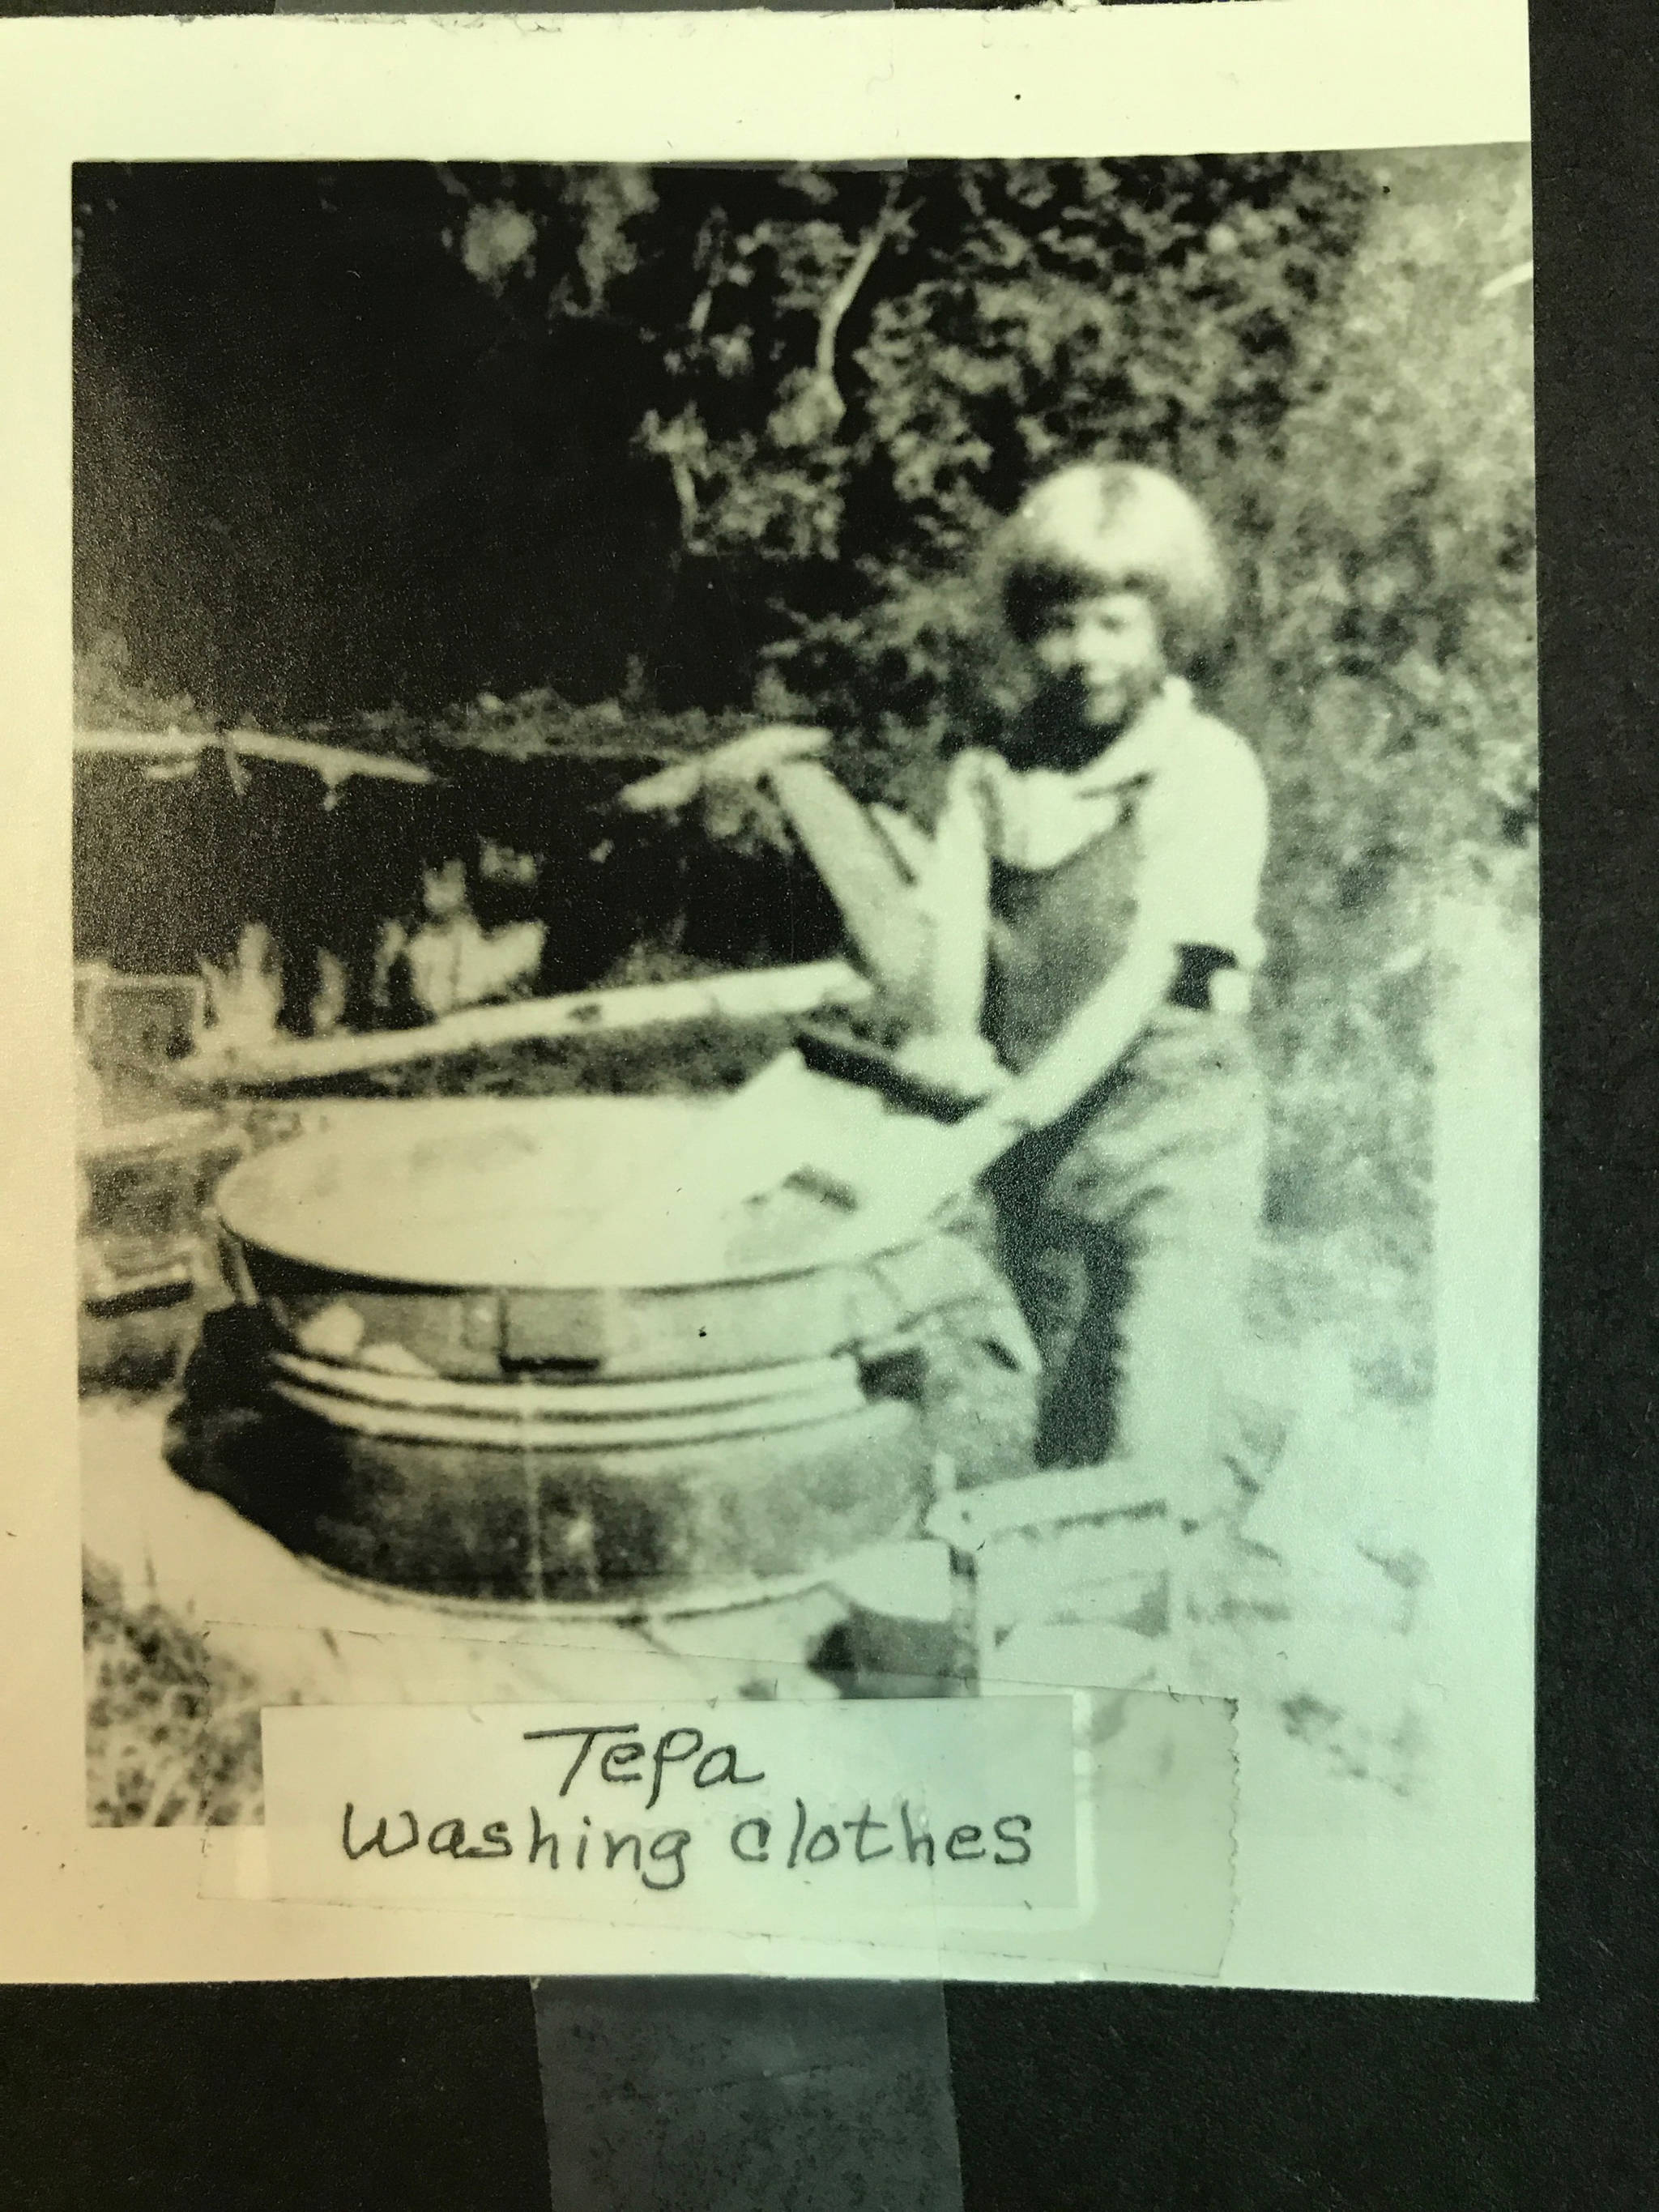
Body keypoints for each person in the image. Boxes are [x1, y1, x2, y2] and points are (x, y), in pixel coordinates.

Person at [629, 459, 1273, 1677]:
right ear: (1027, 630)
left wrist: (1023, 1095)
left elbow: (1146, 970)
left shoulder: (1207, 772)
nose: (1086, 654)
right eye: (1059, 624)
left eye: (1115, 622)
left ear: (1168, 621)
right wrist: (950, 1042)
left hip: (1173, 1143)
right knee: (1073, 1417)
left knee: (1153, 1417)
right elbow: (959, 938)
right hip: (1038, 1153)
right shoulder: (992, 774)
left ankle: (1156, 1718)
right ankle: (1062, 1686)